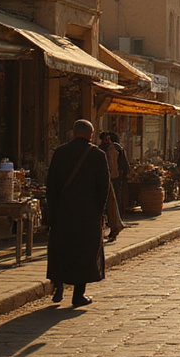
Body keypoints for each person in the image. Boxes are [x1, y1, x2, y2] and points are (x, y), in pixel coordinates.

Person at [46, 119, 109, 307]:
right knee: (84, 252)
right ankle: (78, 294)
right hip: (87, 214)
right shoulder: (97, 155)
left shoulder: (60, 153)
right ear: (90, 135)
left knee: (61, 250)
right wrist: (99, 211)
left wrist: (54, 209)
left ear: (73, 133)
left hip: (62, 213)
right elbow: (103, 187)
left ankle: (58, 288)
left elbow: (51, 185)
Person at [98, 132, 126, 243]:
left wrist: (122, 173)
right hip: (105, 178)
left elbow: (122, 162)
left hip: (114, 177)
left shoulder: (116, 148)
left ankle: (115, 228)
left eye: (108, 138)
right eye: (105, 139)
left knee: (113, 203)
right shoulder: (100, 149)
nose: (107, 140)